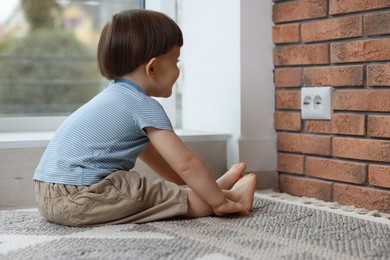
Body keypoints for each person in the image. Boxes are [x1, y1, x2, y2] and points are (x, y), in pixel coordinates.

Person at [33, 9, 256, 227]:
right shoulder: (143, 106)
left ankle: (214, 188)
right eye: (176, 61)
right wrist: (220, 203)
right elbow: (186, 164)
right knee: (166, 201)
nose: (179, 69)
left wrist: (187, 185)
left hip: (47, 196)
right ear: (153, 67)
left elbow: (158, 159)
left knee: (158, 195)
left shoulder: (113, 99)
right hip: (82, 197)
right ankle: (232, 197)